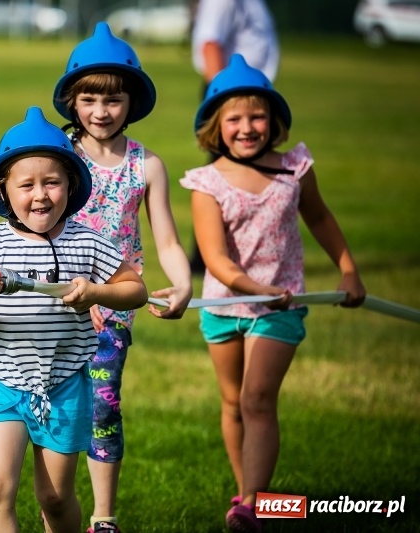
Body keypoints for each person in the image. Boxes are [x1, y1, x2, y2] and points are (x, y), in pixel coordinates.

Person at [180, 54, 367, 532]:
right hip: (224, 306)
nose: (247, 127)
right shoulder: (206, 184)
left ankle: (251, 505)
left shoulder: (294, 170)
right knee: (231, 402)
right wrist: (255, 287)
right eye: (235, 119)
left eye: (257, 116)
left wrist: (348, 270)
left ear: (274, 120)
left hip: (280, 307)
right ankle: (247, 496)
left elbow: (321, 219)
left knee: (257, 399)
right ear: (216, 126)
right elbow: (217, 260)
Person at [0, 106, 149, 533]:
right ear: (4, 192)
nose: (40, 195)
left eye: (52, 182)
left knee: (55, 499)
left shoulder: (87, 242)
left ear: (71, 185)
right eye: (27, 185)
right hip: (2, 385)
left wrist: (96, 292)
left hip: (63, 386)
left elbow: (136, 289)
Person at [52, 22, 193, 533]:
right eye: (89, 98)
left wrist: (183, 285)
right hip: (52, 307)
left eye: (113, 100)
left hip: (113, 309)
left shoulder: (146, 165)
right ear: (72, 100)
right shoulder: (57, 158)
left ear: (131, 102)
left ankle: (104, 519)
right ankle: (57, 504)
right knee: (54, 412)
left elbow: (169, 242)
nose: (101, 111)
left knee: (103, 408)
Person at [188, 0, 280, 274]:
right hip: (232, 96)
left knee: (243, 175)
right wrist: (223, 99)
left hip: (248, 95)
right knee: (222, 177)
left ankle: (234, 254)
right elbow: (210, 44)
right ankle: (205, 258)